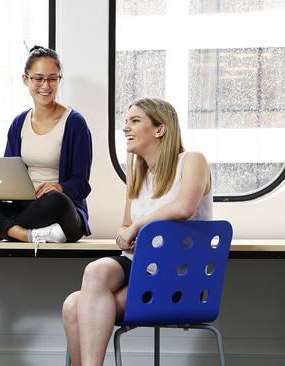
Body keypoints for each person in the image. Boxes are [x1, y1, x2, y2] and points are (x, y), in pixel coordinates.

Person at [61, 98, 212, 366]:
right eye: (125, 122)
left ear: (160, 129)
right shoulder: (138, 176)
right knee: (87, 282)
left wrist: (137, 228)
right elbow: (124, 225)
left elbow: (184, 207)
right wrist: (125, 235)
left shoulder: (192, 161)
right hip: (141, 265)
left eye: (135, 121)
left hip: (179, 277)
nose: (125, 129)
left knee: (76, 306)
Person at [0, 45, 92, 243]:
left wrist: (57, 187)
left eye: (52, 79)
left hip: (58, 211)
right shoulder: (19, 123)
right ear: (26, 79)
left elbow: (81, 185)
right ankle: (21, 234)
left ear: (59, 80)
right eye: (38, 78)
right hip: (25, 207)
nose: (46, 86)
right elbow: (7, 176)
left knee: (56, 201)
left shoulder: (75, 123)